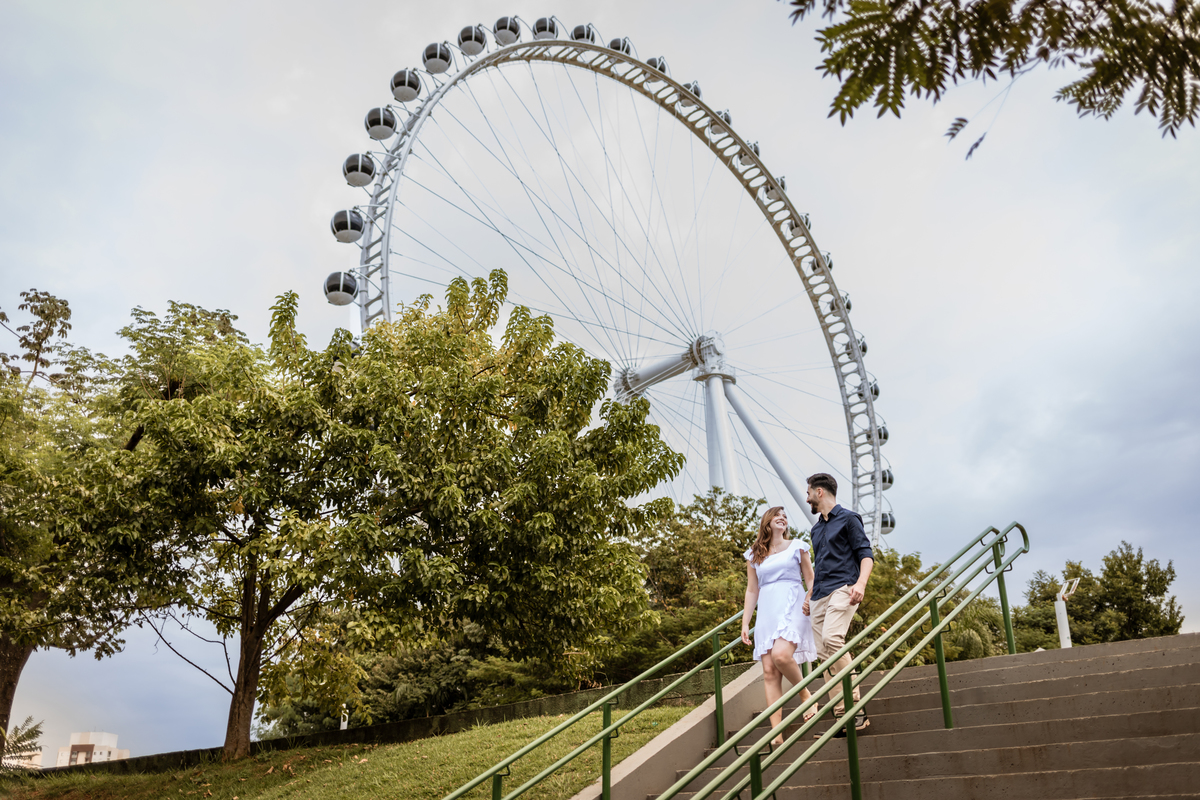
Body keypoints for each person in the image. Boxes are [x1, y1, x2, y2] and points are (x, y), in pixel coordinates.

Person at [740, 505, 819, 745]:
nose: (782, 519)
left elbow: (811, 578)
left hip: (793, 604)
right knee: (769, 672)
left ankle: (806, 694)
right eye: (777, 515)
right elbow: (752, 589)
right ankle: (777, 734)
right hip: (767, 612)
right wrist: (746, 622)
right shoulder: (754, 554)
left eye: (785, 516)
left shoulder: (798, 546)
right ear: (767, 521)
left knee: (781, 656)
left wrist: (808, 598)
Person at [803, 472, 874, 736]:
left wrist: (861, 584)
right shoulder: (816, 529)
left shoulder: (848, 518)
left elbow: (865, 554)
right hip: (820, 594)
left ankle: (856, 706)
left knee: (834, 639)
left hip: (844, 587)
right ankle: (843, 716)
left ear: (819, 492)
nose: (806, 496)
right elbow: (820, 566)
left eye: (808, 491)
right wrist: (809, 595)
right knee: (824, 657)